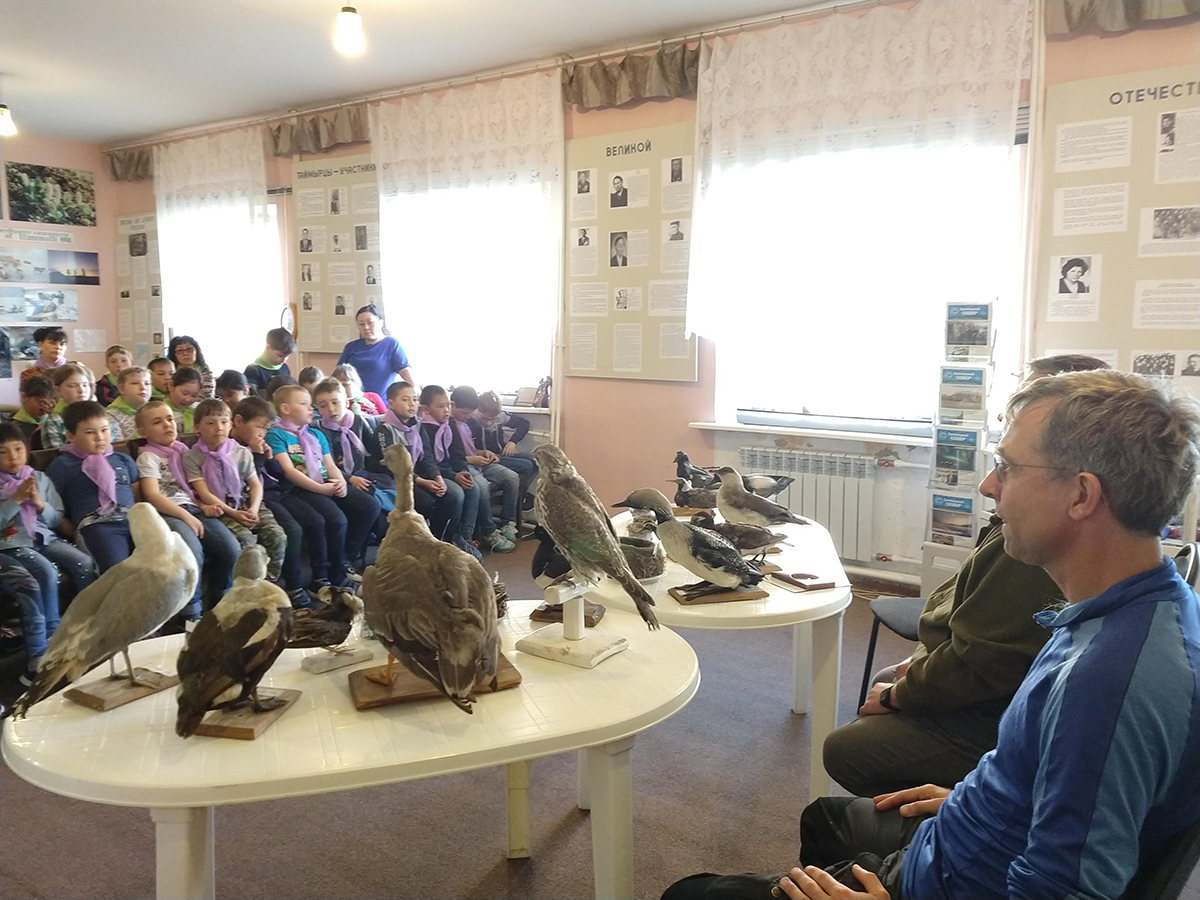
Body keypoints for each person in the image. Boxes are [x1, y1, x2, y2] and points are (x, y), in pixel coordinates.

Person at [664, 369, 1200, 900]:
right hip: (963, 834)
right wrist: (980, 797)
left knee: (691, 894)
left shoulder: (1108, 681)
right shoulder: (1130, 608)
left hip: (950, 879)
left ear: (1082, 495)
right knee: (826, 817)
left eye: (1008, 469)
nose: (989, 486)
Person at [823, 354, 1111, 799]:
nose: (988, 485)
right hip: (991, 696)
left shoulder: (1038, 549)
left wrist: (905, 694)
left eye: (1011, 466)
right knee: (886, 682)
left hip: (993, 714)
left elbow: (983, 664)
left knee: (846, 748)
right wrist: (915, 671)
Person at [0, 422, 97, 685]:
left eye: (18, 449)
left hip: (43, 536)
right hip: (12, 544)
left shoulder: (39, 478)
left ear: (27, 449)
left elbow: (56, 519)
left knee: (85, 563)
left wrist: (40, 504)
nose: (13, 457)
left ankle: (85, 631)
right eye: (3, 452)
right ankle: (51, 643)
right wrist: (16, 500)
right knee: (43, 571)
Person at [267, 384, 381, 588]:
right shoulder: (276, 435)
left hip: (325, 481)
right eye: (304, 404)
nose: (311, 409)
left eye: (311, 405)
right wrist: (321, 489)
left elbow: (329, 464)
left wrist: (340, 482)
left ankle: (345, 557)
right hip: (300, 489)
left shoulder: (315, 434)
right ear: (285, 409)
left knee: (369, 505)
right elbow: (289, 471)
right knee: (337, 520)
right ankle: (336, 575)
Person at [136, 400, 239, 616]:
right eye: (157, 422)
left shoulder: (184, 451)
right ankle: (192, 612)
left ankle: (222, 603)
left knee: (231, 549)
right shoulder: (148, 457)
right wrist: (186, 516)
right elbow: (152, 495)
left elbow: (192, 487)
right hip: (170, 514)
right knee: (192, 553)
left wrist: (204, 506)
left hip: (195, 509)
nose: (167, 425)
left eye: (170, 419)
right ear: (142, 431)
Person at [184, 398, 288, 592]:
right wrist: (233, 513)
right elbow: (203, 492)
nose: (219, 428)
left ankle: (268, 584)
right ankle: (246, 589)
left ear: (231, 423)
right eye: (210, 423)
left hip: (247, 503)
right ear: (197, 427)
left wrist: (254, 509)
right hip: (222, 509)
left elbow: (255, 484)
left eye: (224, 422)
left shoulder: (241, 452)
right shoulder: (192, 457)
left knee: (278, 536)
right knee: (246, 541)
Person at [230, 396, 318, 607]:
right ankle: (291, 585)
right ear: (239, 421)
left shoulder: (259, 443)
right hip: (248, 500)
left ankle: (281, 584)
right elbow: (243, 482)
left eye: (266, 428)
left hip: (270, 494)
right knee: (291, 530)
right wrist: (258, 456)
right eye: (259, 427)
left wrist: (268, 458)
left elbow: (276, 476)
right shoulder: (229, 447)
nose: (262, 433)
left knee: (313, 521)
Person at [45, 400, 141, 574]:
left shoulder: (122, 459)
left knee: (164, 563)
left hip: (134, 519)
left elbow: (138, 493)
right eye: (90, 432)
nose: (100, 437)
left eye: (105, 430)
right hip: (98, 525)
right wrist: (75, 531)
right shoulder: (63, 465)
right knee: (118, 574)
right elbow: (51, 508)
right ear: (71, 436)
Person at [420, 384, 514, 557]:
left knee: (472, 486)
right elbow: (428, 462)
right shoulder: (424, 428)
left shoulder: (448, 425)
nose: (446, 410)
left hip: (448, 470)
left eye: (447, 405)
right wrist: (453, 475)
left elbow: (457, 455)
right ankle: (447, 538)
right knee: (457, 493)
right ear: (426, 409)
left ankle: (466, 537)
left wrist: (463, 471)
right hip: (431, 474)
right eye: (440, 407)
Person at [373, 380, 462, 546]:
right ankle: (417, 542)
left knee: (451, 497)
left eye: (414, 400)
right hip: (394, 480)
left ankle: (437, 541)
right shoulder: (384, 429)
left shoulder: (417, 425)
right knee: (426, 501)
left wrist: (437, 477)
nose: (412, 404)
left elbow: (427, 456)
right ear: (391, 403)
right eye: (405, 400)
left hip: (416, 476)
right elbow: (393, 466)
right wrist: (421, 481)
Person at [312, 378, 395, 520]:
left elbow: (372, 452)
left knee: (390, 490)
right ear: (318, 409)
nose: (331, 409)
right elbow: (326, 465)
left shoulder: (358, 421)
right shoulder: (318, 430)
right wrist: (351, 479)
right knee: (370, 505)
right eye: (323, 406)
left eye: (335, 402)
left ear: (345, 402)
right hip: (339, 478)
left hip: (364, 474)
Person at [451, 385, 521, 544]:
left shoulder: (464, 422)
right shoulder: (450, 424)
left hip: (477, 461)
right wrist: (472, 459)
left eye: (469, 413)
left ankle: (508, 523)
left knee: (512, 477)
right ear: (452, 405)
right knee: (481, 486)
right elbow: (452, 456)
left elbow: (469, 448)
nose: (467, 416)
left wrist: (481, 452)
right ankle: (489, 531)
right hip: (464, 465)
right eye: (465, 413)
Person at [472, 389, 538, 510]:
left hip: (500, 454)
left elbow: (524, 423)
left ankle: (519, 495)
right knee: (526, 466)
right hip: (488, 459)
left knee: (536, 460)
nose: (488, 423)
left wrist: (513, 441)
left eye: (493, 419)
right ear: (477, 410)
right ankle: (517, 498)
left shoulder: (501, 417)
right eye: (484, 419)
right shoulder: (471, 420)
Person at [336, 304, 415, 398]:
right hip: (354, 402)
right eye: (361, 324)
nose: (366, 327)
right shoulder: (351, 347)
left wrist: (415, 392)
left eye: (370, 322)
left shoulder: (391, 344)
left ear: (380, 322)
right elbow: (338, 375)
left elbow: (405, 370)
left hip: (381, 404)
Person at [34, 363, 93, 450]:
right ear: (58, 390)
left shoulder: (99, 415)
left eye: (85, 385)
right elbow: (57, 455)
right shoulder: (54, 421)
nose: (81, 390)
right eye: (72, 386)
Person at [244, 327, 295, 398]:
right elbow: (252, 397)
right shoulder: (254, 370)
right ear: (268, 348)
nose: (284, 360)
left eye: (287, 356)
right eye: (280, 355)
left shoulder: (284, 368)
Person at [105, 365, 152, 441]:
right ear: (121, 388)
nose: (143, 387)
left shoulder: (155, 411)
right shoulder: (111, 415)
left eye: (147, 383)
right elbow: (118, 446)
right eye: (135, 383)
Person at [168, 335, 215, 399]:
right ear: (174, 354)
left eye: (189, 349)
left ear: (197, 351)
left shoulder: (205, 371)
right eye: (180, 350)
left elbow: (206, 396)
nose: (185, 353)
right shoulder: (170, 372)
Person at [11, 375, 54, 445]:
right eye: (41, 402)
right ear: (24, 397)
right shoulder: (13, 429)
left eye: (49, 403)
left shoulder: (53, 421)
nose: (44, 407)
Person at [166, 366, 203, 434]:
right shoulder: (161, 411)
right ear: (171, 385)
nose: (188, 399)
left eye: (194, 395)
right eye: (185, 393)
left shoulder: (199, 410)